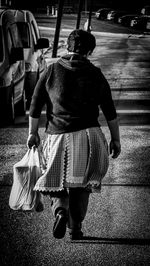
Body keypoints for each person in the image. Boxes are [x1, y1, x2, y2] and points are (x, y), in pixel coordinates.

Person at [27, 29, 121, 240]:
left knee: (53, 180)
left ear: (67, 47)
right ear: (89, 50)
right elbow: (109, 110)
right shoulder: (95, 73)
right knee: (81, 186)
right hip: (89, 137)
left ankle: (60, 210)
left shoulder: (51, 71)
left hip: (58, 136)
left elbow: (35, 105)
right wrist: (116, 139)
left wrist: (32, 133)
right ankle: (75, 228)